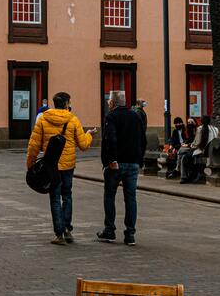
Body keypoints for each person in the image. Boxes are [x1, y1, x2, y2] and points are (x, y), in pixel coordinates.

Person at [25, 92, 95, 245]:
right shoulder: (73, 119)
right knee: (67, 195)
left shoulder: (43, 119)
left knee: (55, 198)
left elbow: (34, 145)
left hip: (51, 165)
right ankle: (67, 229)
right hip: (68, 165)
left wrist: (30, 164)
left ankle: (59, 235)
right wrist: (89, 134)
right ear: (66, 104)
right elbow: (83, 144)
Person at [96, 91, 146, 246]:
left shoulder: (111, 116)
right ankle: (130, 234)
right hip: (132, 163)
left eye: (109, 100)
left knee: (109, 196)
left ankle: (109, 230)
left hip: (116, 164)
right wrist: (139, 160)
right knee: (130, 198)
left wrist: (111, 160)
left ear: (113, 102)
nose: (107, 102)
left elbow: (110, 138)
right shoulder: (136, 116)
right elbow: (142, 139)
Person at [181, 115, 219, 184]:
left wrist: (189, 145)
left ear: (201, 121)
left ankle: (185, 177)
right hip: (212, 152)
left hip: (201, 151)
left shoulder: (200, 128)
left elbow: (196, 143)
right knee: (189, 155)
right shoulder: (216, 129)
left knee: (184, 157)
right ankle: (194, 174)